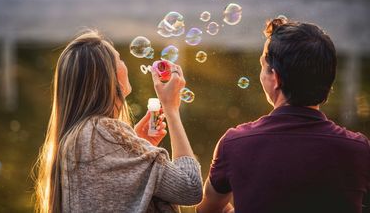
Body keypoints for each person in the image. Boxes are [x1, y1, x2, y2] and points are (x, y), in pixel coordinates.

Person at [197, 18, 370, 213]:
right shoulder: (358, 149)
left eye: (263, 65)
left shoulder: (235, 143)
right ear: (328, 78)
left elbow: (207, 209)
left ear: (276, 78)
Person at [34, 30, 202, 213]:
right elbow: (190, 188)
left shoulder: (76, 136)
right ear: (107, 78)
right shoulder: (102, 131)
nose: (125, 64)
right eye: (120, 59)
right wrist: (171, 109)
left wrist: (137, 146)